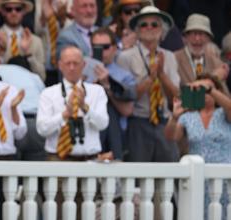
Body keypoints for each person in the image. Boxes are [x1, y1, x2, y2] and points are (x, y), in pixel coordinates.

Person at [165, 75, 231, 220]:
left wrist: (210, 89)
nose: (205, 94)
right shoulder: (188, 116)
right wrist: (174, 117)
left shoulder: (224, 113)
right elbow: (171, 136)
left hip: (225, 180)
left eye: (207, 90)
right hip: (198, 179)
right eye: (200, 90)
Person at [117, 6, 180, 162]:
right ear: (137, 31)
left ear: (162, 29)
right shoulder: (125, 57)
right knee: (138, 178)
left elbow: (177, 96)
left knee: (168, 178)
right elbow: (126, 97)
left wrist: (162, 75)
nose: (149, 28)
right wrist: (150, 79)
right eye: (144, 24)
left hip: (164, 122)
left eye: (154, 24)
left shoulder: (170, 57)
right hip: (138, 123)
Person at [37, 46, 109, 161]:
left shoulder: (97, 91)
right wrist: (65, 114)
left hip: (89, 158)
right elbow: (42, 129)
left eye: (76, 63)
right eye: (68, 63)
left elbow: (103, 124)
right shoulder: (48, 93)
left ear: (84, 65)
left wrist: (85, 108)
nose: (72, 68)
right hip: (58, 158)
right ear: (60, 65)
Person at [90, 28, 137, 160]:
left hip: (116, 136)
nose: (101, 51)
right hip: (88, 132)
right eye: (96, 47)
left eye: (105, 47)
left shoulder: (125, 76)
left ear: (115, 48)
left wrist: (107, 87)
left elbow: (127, 110)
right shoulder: (82, 71)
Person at [0, 0, 46, 81]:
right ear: (3, 12)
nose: (13, 13)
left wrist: (28, 54)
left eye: (18, 9)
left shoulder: (36, 41)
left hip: (27, 89)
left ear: (24, 11)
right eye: (9, 9)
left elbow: (42, 77)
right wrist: (1, 53)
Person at [174, 14, 229, 93]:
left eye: (201, 34)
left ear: (208, 39)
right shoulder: (174, 59)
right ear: (186, 37)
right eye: (194, 33)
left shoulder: (217, 63)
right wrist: (212, 79)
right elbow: (173, 94)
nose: (197, 38)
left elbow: (226, 97)